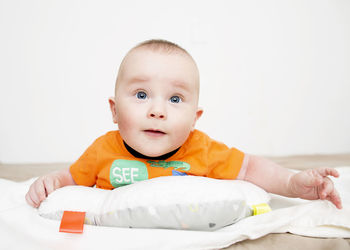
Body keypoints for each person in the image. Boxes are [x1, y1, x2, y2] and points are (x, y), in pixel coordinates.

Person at [25, 39, 342, 210]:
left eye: (175, 99)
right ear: (114, 110)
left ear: (195, 119)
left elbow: (249, 169)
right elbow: (71, 178)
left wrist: (291, 184)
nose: (157, 110)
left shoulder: (201, 149)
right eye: (141, 94)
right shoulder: (102, 151)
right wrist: (51, 181)